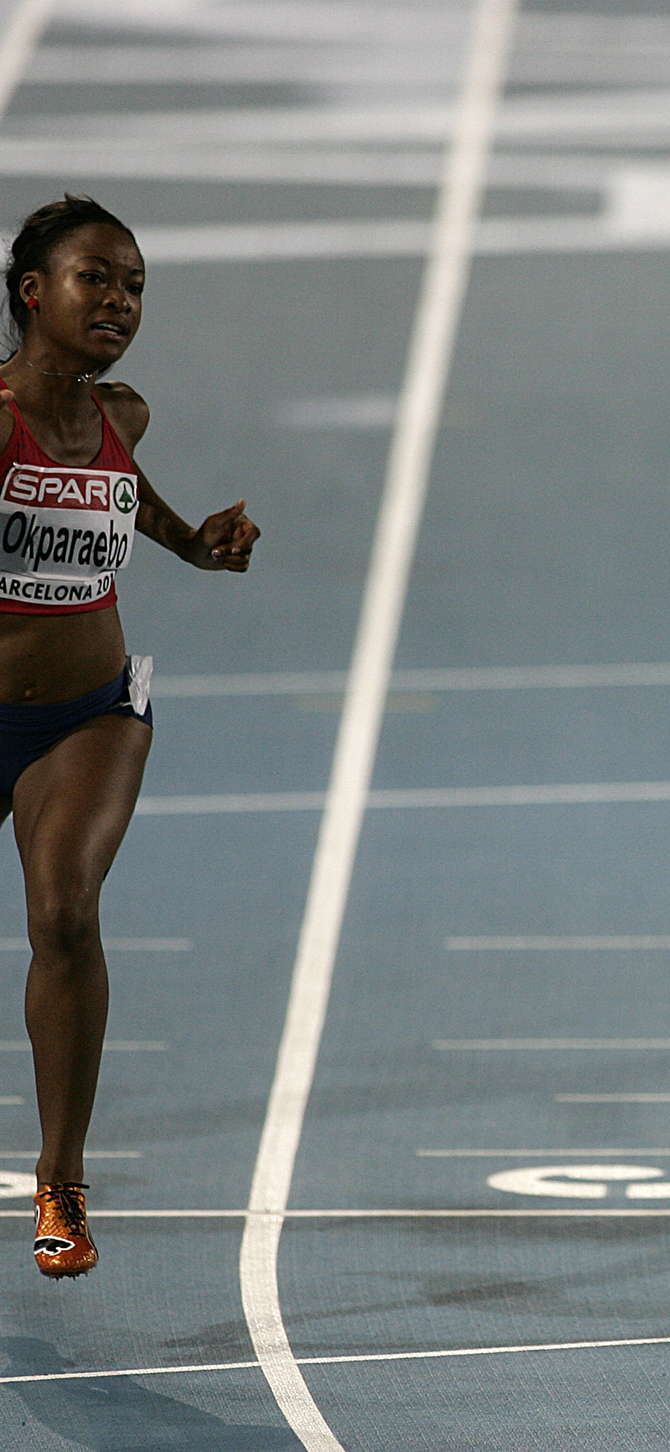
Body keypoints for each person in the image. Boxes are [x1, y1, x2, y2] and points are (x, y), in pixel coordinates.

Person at [0, 196, 259, 1278]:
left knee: (64, 912)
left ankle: (60, 1181)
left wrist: (194, 545)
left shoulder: (123, 413)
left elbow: (125, 498)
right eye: (95, 279)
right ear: (33, 294)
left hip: (88, 714)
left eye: (134, 285)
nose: (119, 301)